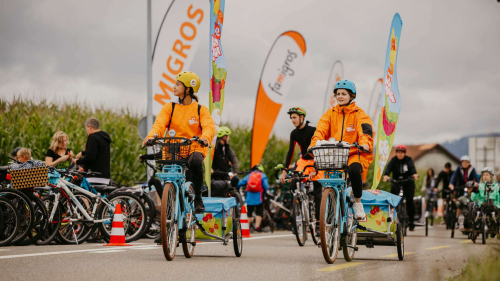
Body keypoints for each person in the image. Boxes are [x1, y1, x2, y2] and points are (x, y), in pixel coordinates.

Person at [142, 71, 215, 215]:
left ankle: (198, 197)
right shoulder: (170, 107)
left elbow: (209, 127)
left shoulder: (201, 110)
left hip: (194, 146)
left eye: (177, 84)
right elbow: (159, 124)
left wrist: (206, 137)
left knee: (195, 163)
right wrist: (151, 136)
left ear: (188, 89)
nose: (174, 87)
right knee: (168, 178)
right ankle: (167, 222)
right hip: (173, 148)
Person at [308, 80, 374, 220]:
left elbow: (365, 131)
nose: (340, 96)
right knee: (328, 178)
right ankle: (329, 204)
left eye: (344, 94)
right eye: (338, 94)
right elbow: (320, 130)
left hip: (353, 152)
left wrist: (365, 144)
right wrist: (313, 144)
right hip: (335, 154)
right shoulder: (330, 114)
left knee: (355, 170)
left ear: (351, 96)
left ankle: (357, 203)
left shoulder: (359, 114)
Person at [279, 107, 322, 222]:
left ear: (302, 117)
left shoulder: (313, 130)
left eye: (294, 117)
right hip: (303, 161)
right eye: (291, 118)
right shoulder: (294, 133)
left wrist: (315, 169)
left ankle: (318, 223)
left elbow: (318, 150)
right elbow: (290, 152)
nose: (292, 120)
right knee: (293, 183)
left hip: (315, 160)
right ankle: (299, 210)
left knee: (318, 194)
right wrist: (284, 172)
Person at [383, 145, 419, 230]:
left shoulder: (408, 160)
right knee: (393, 201)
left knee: (410, 201)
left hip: (408, 182)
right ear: (396, 153)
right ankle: (392, 220)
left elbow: (412, 168)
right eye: (398, 152)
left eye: (402, 152)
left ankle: (411, 222)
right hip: (396, 183)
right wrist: (386, 175)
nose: (400, 154)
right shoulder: (393, 160)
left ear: (404, 153)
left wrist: (414, 174)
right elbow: (388, 168)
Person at [72, 118, 112, 185]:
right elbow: (98, 152)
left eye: (86, 129)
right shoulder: (105, 138)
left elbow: (90, 157)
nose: (87, 131)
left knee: (83, 195)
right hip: (105, 177)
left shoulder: (93, 137)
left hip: (94, 176)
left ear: (90, 127)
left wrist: (77, 161)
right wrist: (83, 153)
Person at [238, 164, 269, 232]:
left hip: (249, 197)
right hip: (259, 197)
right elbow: (266, 186)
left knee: (249, 213)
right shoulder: (263, 175)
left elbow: (240, 183)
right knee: (259, 212)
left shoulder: (249, 175)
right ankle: (257, 228)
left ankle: (247, 228)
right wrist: (265, 192)